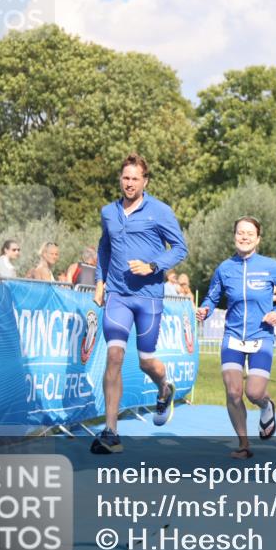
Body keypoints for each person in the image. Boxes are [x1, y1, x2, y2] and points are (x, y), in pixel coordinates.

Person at [91, 153, 188, 454]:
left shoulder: (159, 211)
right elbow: (104, 247)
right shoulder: (109, 212)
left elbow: (180, 249)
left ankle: (164, 388)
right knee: (115, 357)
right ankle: (111, 432)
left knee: (146, 360)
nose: (129, 183)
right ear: (120, 180)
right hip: (118, 295)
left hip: (148, 297)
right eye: (125, 178)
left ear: (145, 181)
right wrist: (99, 281)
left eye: (135, 178)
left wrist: (152, 266)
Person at [196, 217, 276, 459]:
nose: (244, 237)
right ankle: (244, 445)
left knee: (253, 393)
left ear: (258, 238)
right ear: (234, 236)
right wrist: (205, 310)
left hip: (261, 336)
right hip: (232, 336)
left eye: (249, 233)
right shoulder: (224, 268)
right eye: (240, 233)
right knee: (233, 392)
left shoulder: (270, 266)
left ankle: (266, 405)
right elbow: (212, 298)